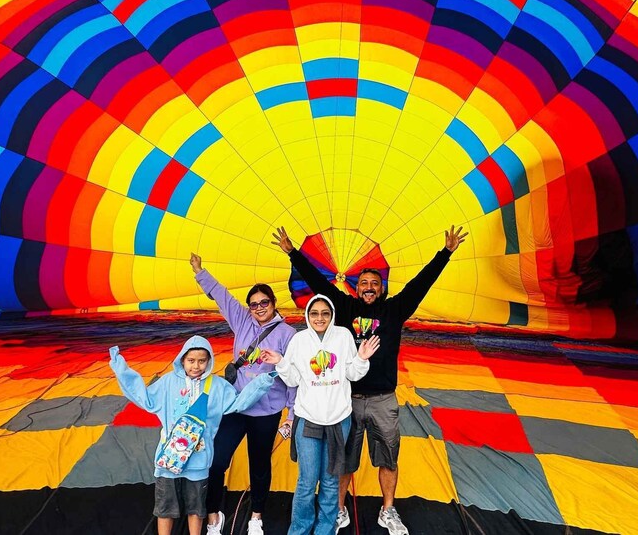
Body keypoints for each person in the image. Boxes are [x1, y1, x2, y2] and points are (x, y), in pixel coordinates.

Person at [272, 226, 467, 535]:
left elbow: (421, 285)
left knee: (388, 457)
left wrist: (445, 253)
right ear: (355, 287)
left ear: (382, 288)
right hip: (347, 400)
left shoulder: (394, 310)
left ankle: (388, 510)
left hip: (382, 400)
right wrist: (293, 253)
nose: (368, 287)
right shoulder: (344, 308)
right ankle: (337, 509)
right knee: (344, 460)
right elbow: (318, 282)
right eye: (363, 283)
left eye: (374, 283)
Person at [109, 336, 276, 535]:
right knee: (165, 508)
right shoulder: (168, 382)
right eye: (191, 360)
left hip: (199, 461)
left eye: (202, 361)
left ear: (209, 361)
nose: (196, 366)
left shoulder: (217, 386)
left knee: (196, 508)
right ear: (182, 360)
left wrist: (263, 381)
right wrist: (120, 367)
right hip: (168, 460)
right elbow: (144, 397)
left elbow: (239, 403)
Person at [189, 253, 297, 535]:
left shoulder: (288, 335)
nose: (259, 308)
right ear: (248, 309)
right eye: (254, 305)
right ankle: (214, 517)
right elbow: (221, 295)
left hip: (267, 411)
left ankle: (256, 517)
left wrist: (291, 415)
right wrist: (200, 271)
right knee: (216, 459)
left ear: (274, 304)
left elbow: (295, 378)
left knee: (259, 466)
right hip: (236, 407)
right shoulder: (242, 322)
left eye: (264, 303)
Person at [260, 295, 380, 535]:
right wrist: (281, 362)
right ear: (307, 316)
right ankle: (300, 530)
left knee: (330, 480)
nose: (320, 318)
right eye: (314, 313)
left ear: (332, 314)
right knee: (307, 481)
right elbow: (293, 379)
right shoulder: (299, 340)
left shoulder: (344, 336)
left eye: (325, 313)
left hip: (338, 420)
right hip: (308, 419)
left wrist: (361, 359)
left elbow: (352, 374)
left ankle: (325, 529)